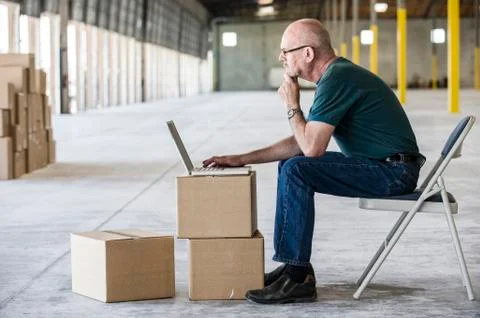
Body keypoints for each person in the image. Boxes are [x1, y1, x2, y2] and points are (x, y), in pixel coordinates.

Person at [202, 18, 424, 304]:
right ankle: (296, 268)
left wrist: (292, 105)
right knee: (291, 165)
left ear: (308, 53)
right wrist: (241, 158)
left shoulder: (337, 79)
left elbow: (311, 149)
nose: (281, 57)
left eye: (286, 50)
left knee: (297, 169)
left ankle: (297, 278)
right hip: (387, 166)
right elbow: (302, 140)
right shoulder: (336, 77)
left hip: (393, 172)